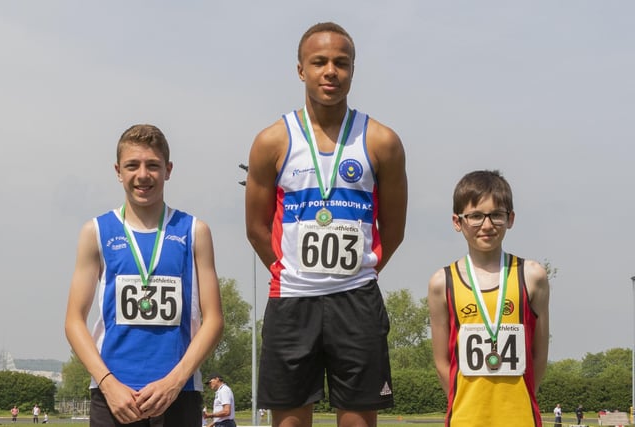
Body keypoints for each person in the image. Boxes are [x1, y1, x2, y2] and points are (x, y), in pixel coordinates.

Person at [245, 22, 407, 427]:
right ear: (301, 70)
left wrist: (355, 273)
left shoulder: (381, 142)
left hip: (356, 300)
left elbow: (394, 228)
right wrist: (293, 272)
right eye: (319, 62)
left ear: (353, 70)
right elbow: (256, 227)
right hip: (292, 299)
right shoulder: (272, 142)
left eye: (341, 63)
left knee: (357, 419)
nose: (330, 71)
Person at [65, 124, 224, 426]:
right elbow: (74, 320)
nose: (142, 175)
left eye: (153, 165)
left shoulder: (195, 232)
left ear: (168, 170)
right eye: (132, 165)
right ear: (118, 171)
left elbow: (214, 319)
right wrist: (108, 383)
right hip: (114, 395)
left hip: (179, 392)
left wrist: (174, 381)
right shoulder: (95, 232)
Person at [428, 170, 550, 427]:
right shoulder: (442, 282)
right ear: (457, 221)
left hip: (520, 417)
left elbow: (539, 357)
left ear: (510, 218)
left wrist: (518, 398)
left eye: (496, 215)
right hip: (465, 417)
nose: (486, 225)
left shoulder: (532, 276)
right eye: (475, 216)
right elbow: (442, 361)